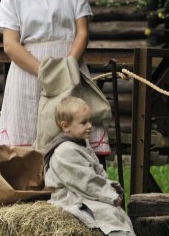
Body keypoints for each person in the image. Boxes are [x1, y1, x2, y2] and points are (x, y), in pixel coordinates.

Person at [0, 0, 111, 156]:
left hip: (70, 73)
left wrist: (67, 68)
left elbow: (83, 33)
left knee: (75, 130)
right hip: (28, 77)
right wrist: (45, 72)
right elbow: (10, 44)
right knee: (27, 146)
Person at [44, 96, 135, 236]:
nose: (90, 126)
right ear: (65, 126)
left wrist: (110, 187)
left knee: (119, 214)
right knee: (109, 215)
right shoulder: (64, 151)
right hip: (72, 197)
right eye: (83, 122)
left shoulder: (81, 143)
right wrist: (109, 195)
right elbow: (85, 180)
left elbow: (97, 170)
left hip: (85, 192)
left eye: (90, 121)